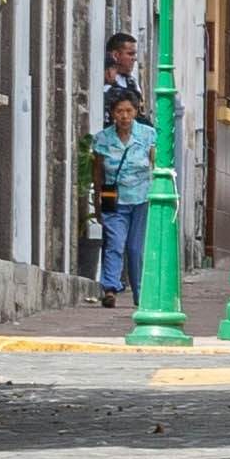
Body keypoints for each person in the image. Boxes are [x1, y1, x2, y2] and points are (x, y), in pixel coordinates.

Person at [83, 78, 151, 307]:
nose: (124, 116)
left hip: (142, 196)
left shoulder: (147, 135)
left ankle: (140, 293)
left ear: (136, 112)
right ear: (112, 113)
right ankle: (110, 288)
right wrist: (98, 199)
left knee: (135, 248)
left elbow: (156, 166)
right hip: (112, 193)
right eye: (119, 111)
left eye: (129, 111)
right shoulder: (103, 139)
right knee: (114, 242)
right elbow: (98, 172)